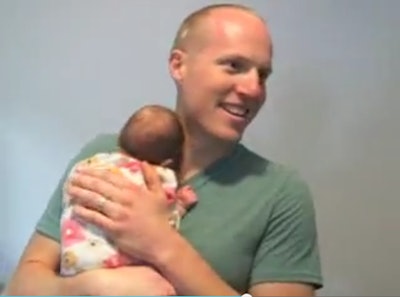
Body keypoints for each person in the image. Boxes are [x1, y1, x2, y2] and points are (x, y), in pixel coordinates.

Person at [5, 3, 323, 296]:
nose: (253, 89)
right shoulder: (102, 155)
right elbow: (22, 286)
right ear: (178, 65)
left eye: (263, 75)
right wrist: (93, 285)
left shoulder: (281, 194)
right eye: (233, 65)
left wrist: (161, 244)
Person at [59, 104, 196, 295]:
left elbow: (68, 196)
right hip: (117, 268)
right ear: (167, 163)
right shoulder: (159, 177)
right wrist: (180, 205)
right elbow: (163, 223)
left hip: (74, 259)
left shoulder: (90, 164)